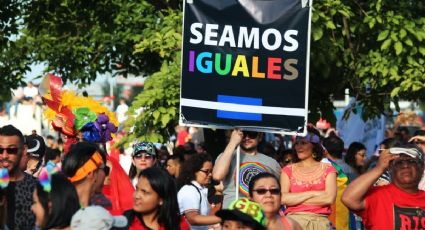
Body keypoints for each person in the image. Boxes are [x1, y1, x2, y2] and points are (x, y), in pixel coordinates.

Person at [342, 145, 425, 229]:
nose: (405, 166)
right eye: (399, 163)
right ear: (390, 168)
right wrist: (379, 168)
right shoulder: (378, 195)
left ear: (421, 168)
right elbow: (348, 198)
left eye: (411, 161)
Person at [280, 126, 337, 229]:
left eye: (303, 143)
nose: (299, 147)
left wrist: (295, 198)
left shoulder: (328, 169)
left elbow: (329, 198)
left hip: (320, 223)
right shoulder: (287, 170)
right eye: (296, 143)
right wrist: (313, 193)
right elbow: (283, 198)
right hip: (293, 222)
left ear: (314, 146)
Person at [213, 129, 281, 208]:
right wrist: (233, 142)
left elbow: (278, 191)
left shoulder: (272, 163)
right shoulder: (227, 155)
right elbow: (217, 176)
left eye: (252, 134)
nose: (247, 138)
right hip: (233, 212)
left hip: (259, 214)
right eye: (244, 134)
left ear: (260, 136)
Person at [123, 167, 189, 230]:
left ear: (161, 199)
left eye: (144, 192)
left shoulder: (178, 225)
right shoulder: (122, 222)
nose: (136, 196)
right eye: (137, 189)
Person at [0, 124, 38, 229]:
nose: (4, 156)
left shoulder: (36, 187)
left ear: (24, 150)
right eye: (0, 150)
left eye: (11, 150)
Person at [177, 153, 221, 229]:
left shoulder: (199, 189)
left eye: (211, 171)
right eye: (206, 171)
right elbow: (193, 218)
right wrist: (223, 219)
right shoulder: (189, 190)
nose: (210, 174)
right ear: (194, 171)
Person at [62, 142, 104, 207]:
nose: (105, 174)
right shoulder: (99, 215)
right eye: (102, 168)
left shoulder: (57, 208)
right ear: (90, 173)